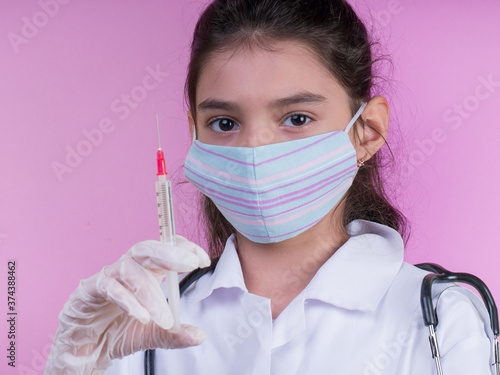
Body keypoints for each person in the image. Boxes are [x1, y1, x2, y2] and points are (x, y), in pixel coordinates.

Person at [45, 0, 495, 374]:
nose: (255, 150)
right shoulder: (144, 327)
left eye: (296, 119)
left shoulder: (441, 319)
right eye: (224, 123)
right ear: (195, 135)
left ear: (368, 131)